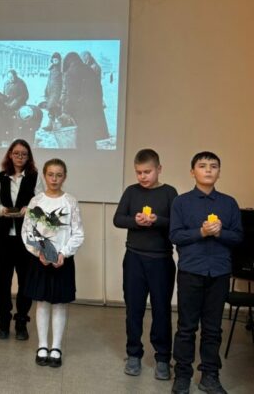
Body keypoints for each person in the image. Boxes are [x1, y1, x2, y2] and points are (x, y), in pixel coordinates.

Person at [169, 151, 243, 394]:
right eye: (202, 166)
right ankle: (182, 374)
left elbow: (238, 237)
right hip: (191, 271)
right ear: (193, 172)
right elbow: (175, 235)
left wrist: (220, 232)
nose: (208, 170)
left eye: (213, 166)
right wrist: (200, 232)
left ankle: (210, 375)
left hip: (219, 272)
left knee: (213, 328)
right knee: (186, 327)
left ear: (219, 172)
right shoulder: (181, 202)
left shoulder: (229, 203)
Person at [113, 149, 178, 380]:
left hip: (161, 260)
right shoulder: (131, 192)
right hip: (134, 258)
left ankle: (163, 358)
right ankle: (133, 353)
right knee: (134, 308)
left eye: (147, 172)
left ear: (159, 169)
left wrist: (157, 220)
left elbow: (177, 223)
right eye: (138, 172)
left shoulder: (169, 192)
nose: (142, 176)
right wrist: (136, 221)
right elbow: (118, 219)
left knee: (161, 310)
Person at [22, 158, 84, 368]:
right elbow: (27, 231)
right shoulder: (36, 201)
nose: (54, 179)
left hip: (62, 260)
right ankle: (42, 345)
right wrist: (39, 251)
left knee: (59, 303)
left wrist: (63, 253)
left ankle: (56, 346)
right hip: (40, 260)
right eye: (50, 175)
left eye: (59, 175)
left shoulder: (70, 201)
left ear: (64, 177)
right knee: (42, 302)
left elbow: (78, 233)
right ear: (44, 176)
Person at [0, 140, 44, 340]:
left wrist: (28, 210)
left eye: (24, 154)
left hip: (26, 238)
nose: (20, 157)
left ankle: (21, 321)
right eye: (16, 153)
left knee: (25, 281)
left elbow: (40, 202)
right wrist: (2, 210)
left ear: (28, 157)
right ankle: (3, 322)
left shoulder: (34, 177)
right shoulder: (1, 176)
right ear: (10, 155)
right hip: (4, 237)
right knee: (3, 281)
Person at [43, 52, 63, 131]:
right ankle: (51, 125)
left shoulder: (61, 69)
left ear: (59, 60)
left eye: (56, 60)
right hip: (50, 92)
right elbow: (49, 81)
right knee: (51, 109)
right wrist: (46, 90)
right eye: (54, 60)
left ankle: (58, 125)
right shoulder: (51, 69)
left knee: (55, 108)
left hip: (57, 92)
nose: (55, 61)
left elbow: (63, 81)